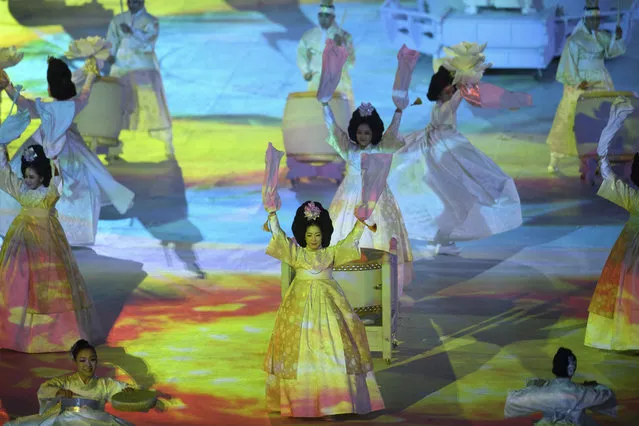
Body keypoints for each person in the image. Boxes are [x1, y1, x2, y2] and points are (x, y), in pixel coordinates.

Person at [264, 201, 384, 419]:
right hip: (298, 307)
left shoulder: (331, 253)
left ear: (324, 234)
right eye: (309, 235)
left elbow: (351, 241)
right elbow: (279, 237)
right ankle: (302, 404)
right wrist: (272, 215)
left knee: (334, 347)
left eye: (317, 235)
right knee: (298, 351)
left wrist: (360, 223)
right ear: (303, 234)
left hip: (330, 304)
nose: (313, 240)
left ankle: (335, 403)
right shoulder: (296, 254)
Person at [390, 64, 523, 256]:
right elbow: (459, 97)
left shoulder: (438, 108)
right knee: (457, 196)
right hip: (446, 151)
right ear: (444, 90)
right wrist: (468, 77)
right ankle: (441, 240)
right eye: (449, 88)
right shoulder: (444, 108)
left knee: (452, 201)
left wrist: (469, 73)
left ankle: (442, 240)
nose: (452, 91)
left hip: (443, 149)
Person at [0, 58, 135, 246]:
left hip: (42, 146)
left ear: (49, 87)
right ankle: (69, 234)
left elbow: (23, 103)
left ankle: (33, 229)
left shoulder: (44, 106)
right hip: (69, 150)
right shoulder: (73, 105)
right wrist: (90, 75)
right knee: (76, 188)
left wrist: (8, 86)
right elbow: (85, 95)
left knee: (23, 182)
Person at [0, 142, 100, 353]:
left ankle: (54, 333)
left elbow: (58, 182)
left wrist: (55, 160)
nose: (27, 181)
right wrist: (2, 150)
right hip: (23, 238)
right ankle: (13, 331)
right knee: (19, 279)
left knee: (48, 284)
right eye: (26, 176)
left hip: (46, 241)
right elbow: (6, 177)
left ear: (42, 177)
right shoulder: (22, 189)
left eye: (32, 177)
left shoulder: (48, 194)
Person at [322, 100, 413, 291]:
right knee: (343, 233)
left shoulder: (379, 149)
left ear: (374, 133)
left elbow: (392, 133)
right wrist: (325, 106)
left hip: (375, 198)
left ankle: (378, 283)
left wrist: (398, 111)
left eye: (367, 133)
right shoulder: (349, 150)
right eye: (360, 132)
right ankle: (347, 282)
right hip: (348, 197)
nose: (363, 136)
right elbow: (334, 130)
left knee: (379, 236)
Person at [585, 97, 639, 351]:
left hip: (630, 248)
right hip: (630, 248)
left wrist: (607, 140)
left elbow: (605, 170)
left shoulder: (632, 198)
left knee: (625, 290)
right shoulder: (633, 199)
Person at [546, 2, 625, 173]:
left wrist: (617, 38)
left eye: (598, 19)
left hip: (601, 81)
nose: (596, 22)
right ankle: (555, 157)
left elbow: (613, 52)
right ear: (585, 20)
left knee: (600, 120)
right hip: (582, 82)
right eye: (592, 19)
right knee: (570, 118)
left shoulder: (601, 37)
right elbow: (567, 63)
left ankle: (596, 158)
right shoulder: (574, 40)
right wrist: (576, 81)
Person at [6, 339, 136, 425]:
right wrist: (58, 392)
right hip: (66, 419)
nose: (88, 365)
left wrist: (128, 391)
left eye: (92, 360)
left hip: (95, 420)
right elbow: (44, 389)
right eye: (82, 360)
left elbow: (121, 388)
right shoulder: (66, 382)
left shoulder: (104, 384)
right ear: (75, 362)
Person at [106, 0, 174, 158]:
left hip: (143, 67)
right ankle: (113, 145)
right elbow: (111, 41)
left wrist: (132, 32)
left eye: (136, 0)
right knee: (118, 105)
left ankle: (167, 143)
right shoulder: (118, 20)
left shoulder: (151, 21)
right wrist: (109, 54)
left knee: (153, 105)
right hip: (121, 67)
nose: (132, 3)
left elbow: (148, 44)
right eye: (130, 0)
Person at [504, 347, 617, 425]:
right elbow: (607, 395)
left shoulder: (544, 390)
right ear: (571, 369)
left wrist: (532, 387)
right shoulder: (582, 392)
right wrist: (594, 386)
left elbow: (513, 401)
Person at [297, 0, 355, 98]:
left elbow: (350, 63)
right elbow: (301, 56)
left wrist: (341, 46)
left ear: (333, 17)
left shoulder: (345, 37)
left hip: (339, 84)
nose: (323, 19)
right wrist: (305, 72)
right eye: (321, 15)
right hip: (316, 83)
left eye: (327, 16)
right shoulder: (308, 36)